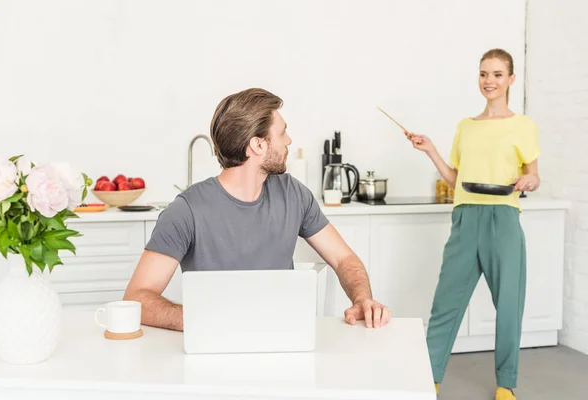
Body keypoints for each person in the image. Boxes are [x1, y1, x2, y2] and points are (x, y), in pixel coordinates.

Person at [124, 88, 391, 332]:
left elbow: (344, 259)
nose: (289, 140)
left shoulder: (294, 194)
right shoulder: (186, 211)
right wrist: (199, 319)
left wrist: (362, 298)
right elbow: (138, 298)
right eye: (282, 132)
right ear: (258, 144)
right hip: (215, 345)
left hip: (283, 339)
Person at [407, 49, 540, 400]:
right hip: (466, 216)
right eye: (483, 74)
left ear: (511, 80)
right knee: (446, 302)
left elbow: (534, 175)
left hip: (504, 218)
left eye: (497, 74)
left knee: (509, 304)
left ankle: (506, 384)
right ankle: (430, 376)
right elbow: (456, 180)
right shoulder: (465, 127)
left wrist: (528, 182)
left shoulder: (522, 125)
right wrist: (431, 150)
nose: (489, 81)